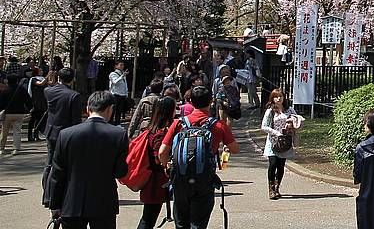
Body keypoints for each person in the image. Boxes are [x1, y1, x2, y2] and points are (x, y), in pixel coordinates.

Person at [157, 85, 241, 229]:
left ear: (191, 101)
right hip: (204, 179)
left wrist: (168, 167)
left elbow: (162, 152)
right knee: (198, 223)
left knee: (181, 222)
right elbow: (235, 149)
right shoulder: (218, 125)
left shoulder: (179, 123)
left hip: (180, 178)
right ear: (211, 102)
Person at [46, 91, 129, 229]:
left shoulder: (66, 134)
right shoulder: (118, 135)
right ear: (110, 109)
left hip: (71, 202)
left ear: (87, 109)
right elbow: (120, 172)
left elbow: (57, 173)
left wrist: (54, 205)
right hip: (104, 202)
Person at [136, 97, 176, 229]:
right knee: (149, 218)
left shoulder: (151, 130)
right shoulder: (161, 132)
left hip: (152, 179)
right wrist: (167, 164)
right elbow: (159, 156)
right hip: (156, 180)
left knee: (149, 216)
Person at [261, 89, 303, 200]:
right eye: (276, 96)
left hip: (285, 142)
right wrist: (275, 133)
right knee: (273, 163)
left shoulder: (289, 110)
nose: (279, 99)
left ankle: (277, 187)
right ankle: (271, 189)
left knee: (281, 166)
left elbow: (297, 121)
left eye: (280, 96)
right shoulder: (270, 111)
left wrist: (293, 124)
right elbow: (264, 126)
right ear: (272, 98)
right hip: (273, 142)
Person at [44, 68, 85, 163]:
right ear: (73, 79)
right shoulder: (74, 95)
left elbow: (47, 87)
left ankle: (46, 178)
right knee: (65, 162)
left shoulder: (48, 91)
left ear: (59, 77)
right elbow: (76, 119)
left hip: (50, 130)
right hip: (66, 132)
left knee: (50, 160)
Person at [1, 73, 31, 154]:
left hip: (8, 113)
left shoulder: (5, 90)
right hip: (19, 113)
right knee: (17, 131)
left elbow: (1, 103)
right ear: (17, 80)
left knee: (4, 131)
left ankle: (2, 148)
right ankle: (16, 149)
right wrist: (30, 109)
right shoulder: (21, 89)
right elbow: (28, 100)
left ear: (8, 81)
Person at [27, 67, 48, 142]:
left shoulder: (43, 78)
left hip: (42, 101)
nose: (42, 71)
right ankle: (30, 135)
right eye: (40, 70)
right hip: (35, 101)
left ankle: (36, 134)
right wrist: (47, 76)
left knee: (40, 119)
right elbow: (40, 84)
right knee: (33, 119)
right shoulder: (33, 79)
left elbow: (50, 83)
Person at [109, 61, 130, 125]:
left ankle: (117, 123)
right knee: (113, 111)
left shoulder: (123, 74)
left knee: (119, 111)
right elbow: (115, 82)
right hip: (115, 94)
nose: (122, 66)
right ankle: (110, 123)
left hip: (122, 95)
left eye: (123, 65)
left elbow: (125, 84)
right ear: (116, 66)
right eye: (120, 65)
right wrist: (122, 76)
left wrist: (126, 93)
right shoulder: (113, 74)